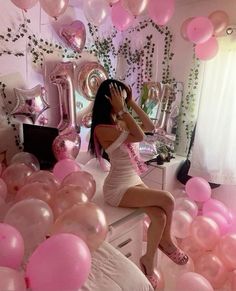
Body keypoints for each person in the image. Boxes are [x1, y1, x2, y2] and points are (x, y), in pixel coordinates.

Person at [88, 79, 188, 289]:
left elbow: (150, 127)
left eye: (125, 98)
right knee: (167, 199)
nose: (123, 102)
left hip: (133, 180)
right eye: (120, 98)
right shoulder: (101, 128)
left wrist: (131, 102)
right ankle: (166, 242)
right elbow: (140, 135)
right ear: (110, 101)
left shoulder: (121, 122)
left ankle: (148, 261)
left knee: (159, 216)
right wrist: (123, 110)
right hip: (118, 189)